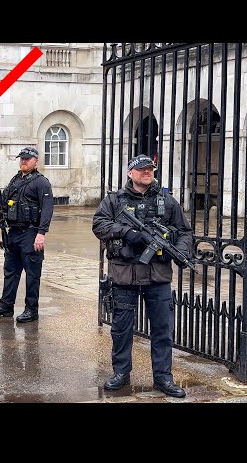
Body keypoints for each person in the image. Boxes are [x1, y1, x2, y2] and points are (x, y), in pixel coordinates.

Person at [92, 154, 193, 398]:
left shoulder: (167, 202)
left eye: (150, 169)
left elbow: (185, 232)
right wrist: (128, 233)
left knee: (162, 329)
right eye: (141, 170)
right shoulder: (114, 201)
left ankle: (163, 378)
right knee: (121, 328)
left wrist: (179, 250)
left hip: (157, 275)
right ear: (130, 173)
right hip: (124, 274)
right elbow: (99, 225)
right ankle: (121, 372)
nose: (146, 173)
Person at [0, 146, 54, 323]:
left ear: (35, 161)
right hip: (13, 232)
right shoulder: (16, 180)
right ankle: (6, 306)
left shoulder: (41, 182)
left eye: (27, 159)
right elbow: (4, 198)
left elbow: (47, 209)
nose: (23, 161)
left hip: (31, 233)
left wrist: (41, 233)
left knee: (32, 274)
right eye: (21, 158)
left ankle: (31, 310)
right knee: (10, 271)